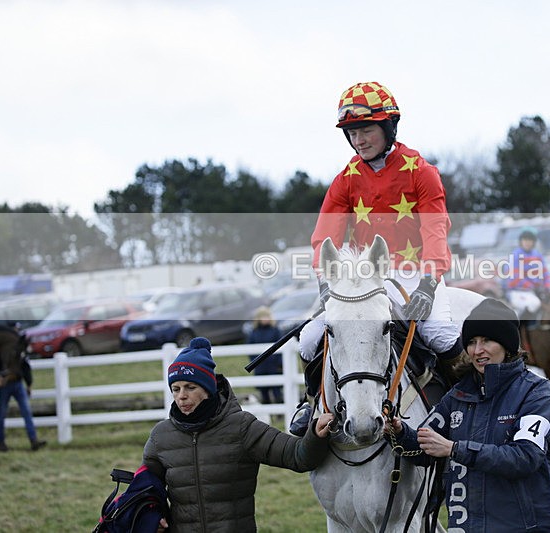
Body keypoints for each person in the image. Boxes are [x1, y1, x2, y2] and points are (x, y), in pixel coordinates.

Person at [294, 81, 463, 432]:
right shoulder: (345, 179)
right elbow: (324, 237)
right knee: (310, 339)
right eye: (353, 133)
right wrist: (325, 283)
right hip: (361, 276)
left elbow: (435, 231)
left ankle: (466, 409)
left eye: (366, 130)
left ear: (388, 127)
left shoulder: (421, 171)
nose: (359, 140)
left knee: (441, 336)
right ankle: (311, 405)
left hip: (417, 272)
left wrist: (429, 286)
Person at [386, 298, 550, 531]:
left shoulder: (538, 394)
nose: (477, 350)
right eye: (471, 342)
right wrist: (400, 432)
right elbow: (424, 448)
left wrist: (454, 449)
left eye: (487, 340)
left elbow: (525, 458)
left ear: (508, 345)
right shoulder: (458, 395)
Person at [142, 337, 334, 532]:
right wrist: (153, 515)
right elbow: (146, 488)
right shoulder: (161, 436)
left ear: (209, 389)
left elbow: (297, 456)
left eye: (190, 387)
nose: (182, 395)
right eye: (176, 389)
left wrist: (315, 436)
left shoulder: (242, 427)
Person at [0, 324, 46, 452]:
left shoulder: (19, 349)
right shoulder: (4, 349)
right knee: (2, 414)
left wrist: (29, 383)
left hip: (17, 383)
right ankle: (0, 442)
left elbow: (25, 366)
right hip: (6, 385)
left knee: (26, 412)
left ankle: (33, 440)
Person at [503, 227, 550, 343]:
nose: (527, 243)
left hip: (533, 292)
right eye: (525, 240)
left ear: (534, 242)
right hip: (516, 291)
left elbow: (546, 273)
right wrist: (532, 285)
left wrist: (548, 285)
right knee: (533, 304)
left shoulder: (538, 255)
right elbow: (515, 277)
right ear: (521, 242)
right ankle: (517, 333)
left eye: (530, 240)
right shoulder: (515, 255)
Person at [247, 306, 283, 404]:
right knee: (264, 391)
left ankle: (279, 413)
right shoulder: (254, 333)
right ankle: (268, 413)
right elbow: (250, 350)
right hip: (261, 366)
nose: (265, 319)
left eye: (267, 316)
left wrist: (279, 363)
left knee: (277, 390)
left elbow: (281, 346)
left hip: (273, 366)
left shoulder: (275, 331)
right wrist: (255, 363)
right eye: (263, 316)